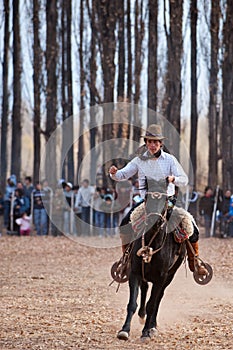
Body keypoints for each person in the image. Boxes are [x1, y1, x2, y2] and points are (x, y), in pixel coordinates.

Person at [109, 124, 207, 275]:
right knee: (125, 224)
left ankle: (196, 262)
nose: (153, 145)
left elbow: (184, 180)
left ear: (161, 143)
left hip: (167, 202)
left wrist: (173, 178)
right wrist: (114, 173)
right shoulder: (139, 161)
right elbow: (122, 175)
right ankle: (125, 260)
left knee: (190, 226)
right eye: (150, 142)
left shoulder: (170, 160)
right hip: (146, 203)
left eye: (156, 142)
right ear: (146, 143)